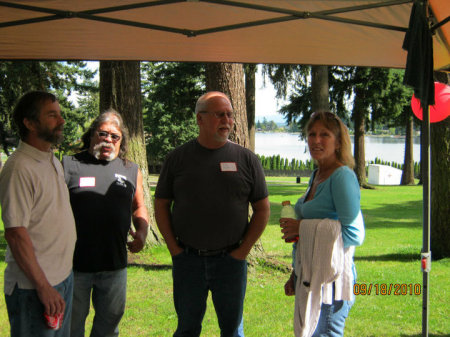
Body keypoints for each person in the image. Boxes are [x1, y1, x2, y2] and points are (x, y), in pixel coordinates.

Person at [154, 91, 270, 337]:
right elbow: (161, 204)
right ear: (200, 119)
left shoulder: (247, 160)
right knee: (186, 328)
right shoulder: (177, 159)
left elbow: (262, 209)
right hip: (188, 261)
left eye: (230, 115)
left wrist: (242, 251)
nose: (227, 120)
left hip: (231, 262)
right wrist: (174, 249)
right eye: (220, 115)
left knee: (231, 330)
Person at [62, 109, 149, 337]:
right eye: (103, 134)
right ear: (92, 135)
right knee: (71, 326)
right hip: (74, 265)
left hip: (114, 265)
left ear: (122, 141)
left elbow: (139, 206)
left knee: (108, 328)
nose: (108, 140)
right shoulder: (69, 164)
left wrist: (141, 231)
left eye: (115, 136)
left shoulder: (131, 169)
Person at [280, 111, 365, 337]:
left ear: (338, 142)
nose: (316, 140)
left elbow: (355, 234)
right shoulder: (317, 174)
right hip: (309, 276)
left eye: (324, 135)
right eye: (311, 134)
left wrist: (303, 229)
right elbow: (312, 229)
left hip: (331, 281)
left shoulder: (342, 177)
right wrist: (295, 273)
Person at [0, 91, 77, 336]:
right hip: (34, 288)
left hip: (62, 278)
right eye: (52, 115)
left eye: (60, 114)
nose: (62, 121)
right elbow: (15, 233)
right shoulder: (19, 167)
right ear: (30, 123)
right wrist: (43, 287)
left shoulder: (50, 159)